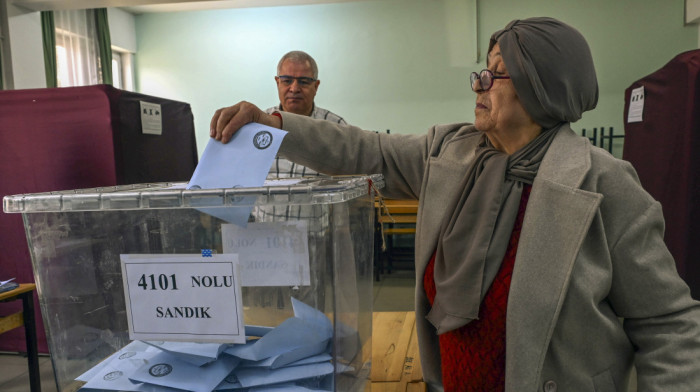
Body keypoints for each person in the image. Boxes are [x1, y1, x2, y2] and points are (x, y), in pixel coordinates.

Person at [210, 17, 700, 392]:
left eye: (497, 75)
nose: (478, 84)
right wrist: (274, 125)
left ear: (543, 86)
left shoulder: (606, 185)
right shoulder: (452, 151)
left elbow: (668, 325)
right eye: (481, 72)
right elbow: (364, 149)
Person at [265, 50, 347, 178]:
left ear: (316, 86)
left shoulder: (337, 127)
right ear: (277, 83)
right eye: (287, 81)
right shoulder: (260, 126)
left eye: (304, 82)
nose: (294, 89)